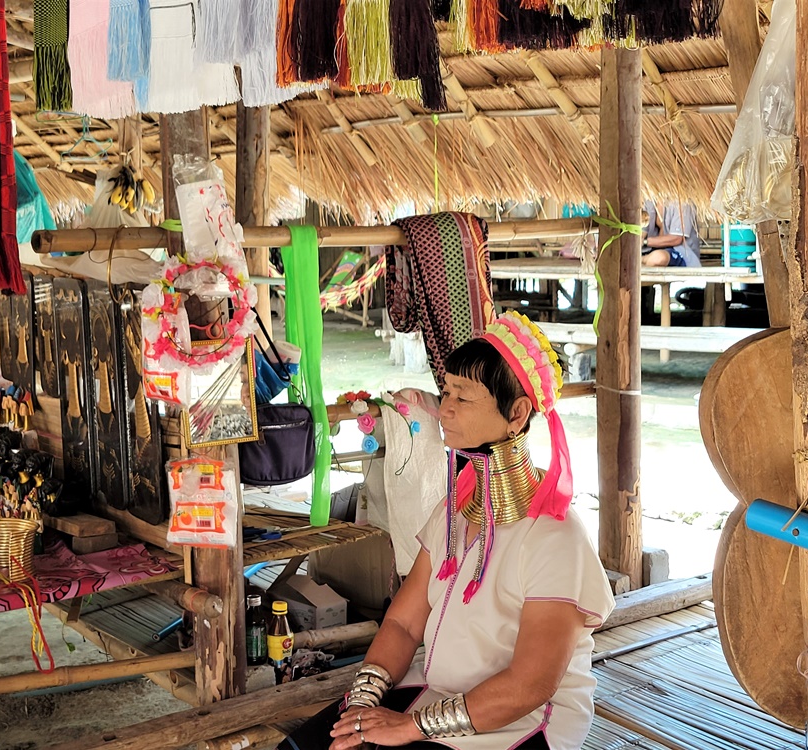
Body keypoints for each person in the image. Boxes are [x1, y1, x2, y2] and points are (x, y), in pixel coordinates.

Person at [279, 311, 615, 750]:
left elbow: (529, 686)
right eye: (446, 391)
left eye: (465, 396)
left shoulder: (555, 538)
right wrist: (362, 703)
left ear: (517, 413)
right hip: (440, 692)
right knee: (312, 745)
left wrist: (406, 728)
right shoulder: (452, 513)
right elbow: (401, 623)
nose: (446, 408)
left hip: (522, 720)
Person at [641, 199, 701, 268]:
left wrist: (644, 242)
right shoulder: (649, 200)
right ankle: (643, 259)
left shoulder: (684, 202)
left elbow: (676, 239)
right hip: (652, 250)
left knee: (657, 258)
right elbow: (643, 230)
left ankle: (642, 260)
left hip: (681, 252)